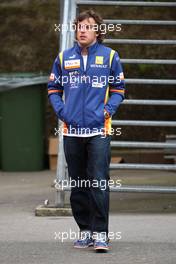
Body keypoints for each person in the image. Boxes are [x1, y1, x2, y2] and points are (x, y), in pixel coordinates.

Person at [48, 10, 125, 252]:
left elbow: (118, 89)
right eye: (79, 26)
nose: (82, 30)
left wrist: (106, 111)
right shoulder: (63, 58)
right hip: (71, 132)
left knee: (98, 182)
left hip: (99, 131)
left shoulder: (110, 57)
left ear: (98, 31)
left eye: (88, 26)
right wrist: (63, 113)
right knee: (79, 183)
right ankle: (85, 231)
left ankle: (101, 233)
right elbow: (53, 88)